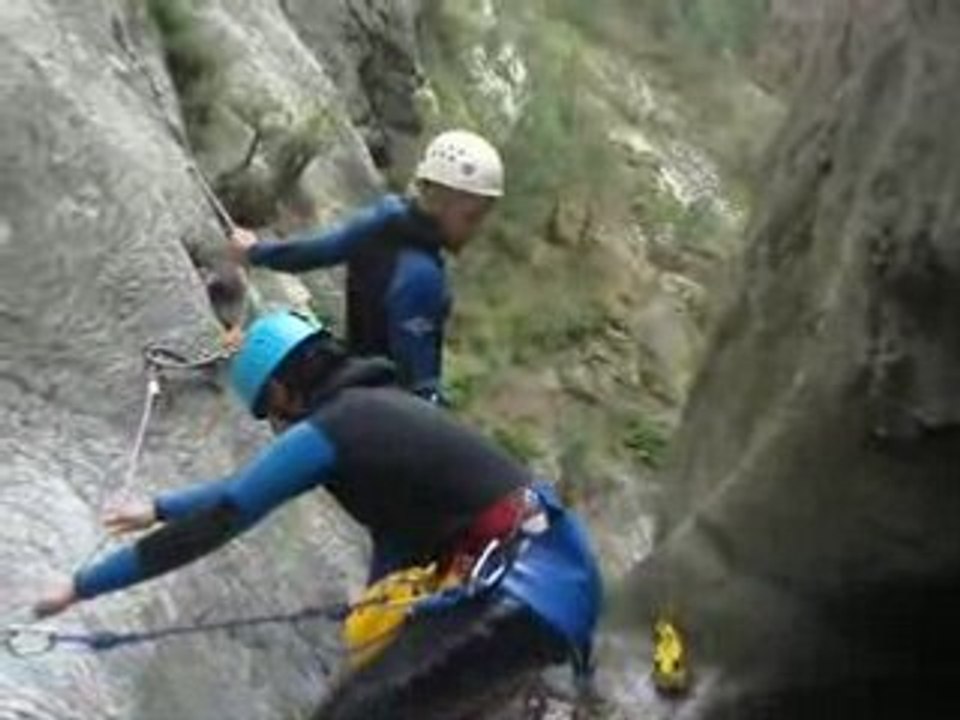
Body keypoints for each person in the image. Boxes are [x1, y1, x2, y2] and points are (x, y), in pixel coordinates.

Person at [34, 310, 602, 720]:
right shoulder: (380, 415)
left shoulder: (335, 428)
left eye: (268, 413)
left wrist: (81, 586)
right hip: (550, 582)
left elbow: (226, 516)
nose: (276, 427)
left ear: (282, 390)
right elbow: (388, 545)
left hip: (517, 589)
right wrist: (157, 507)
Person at [228, 130, 505, 404]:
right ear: (442, 203)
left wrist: (255, 251)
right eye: (471, 217)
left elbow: (316, 251)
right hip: (378, 409)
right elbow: (419, 384)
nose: (476, 229)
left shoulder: (383, 220)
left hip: (350, 379)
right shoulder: (422, 276)